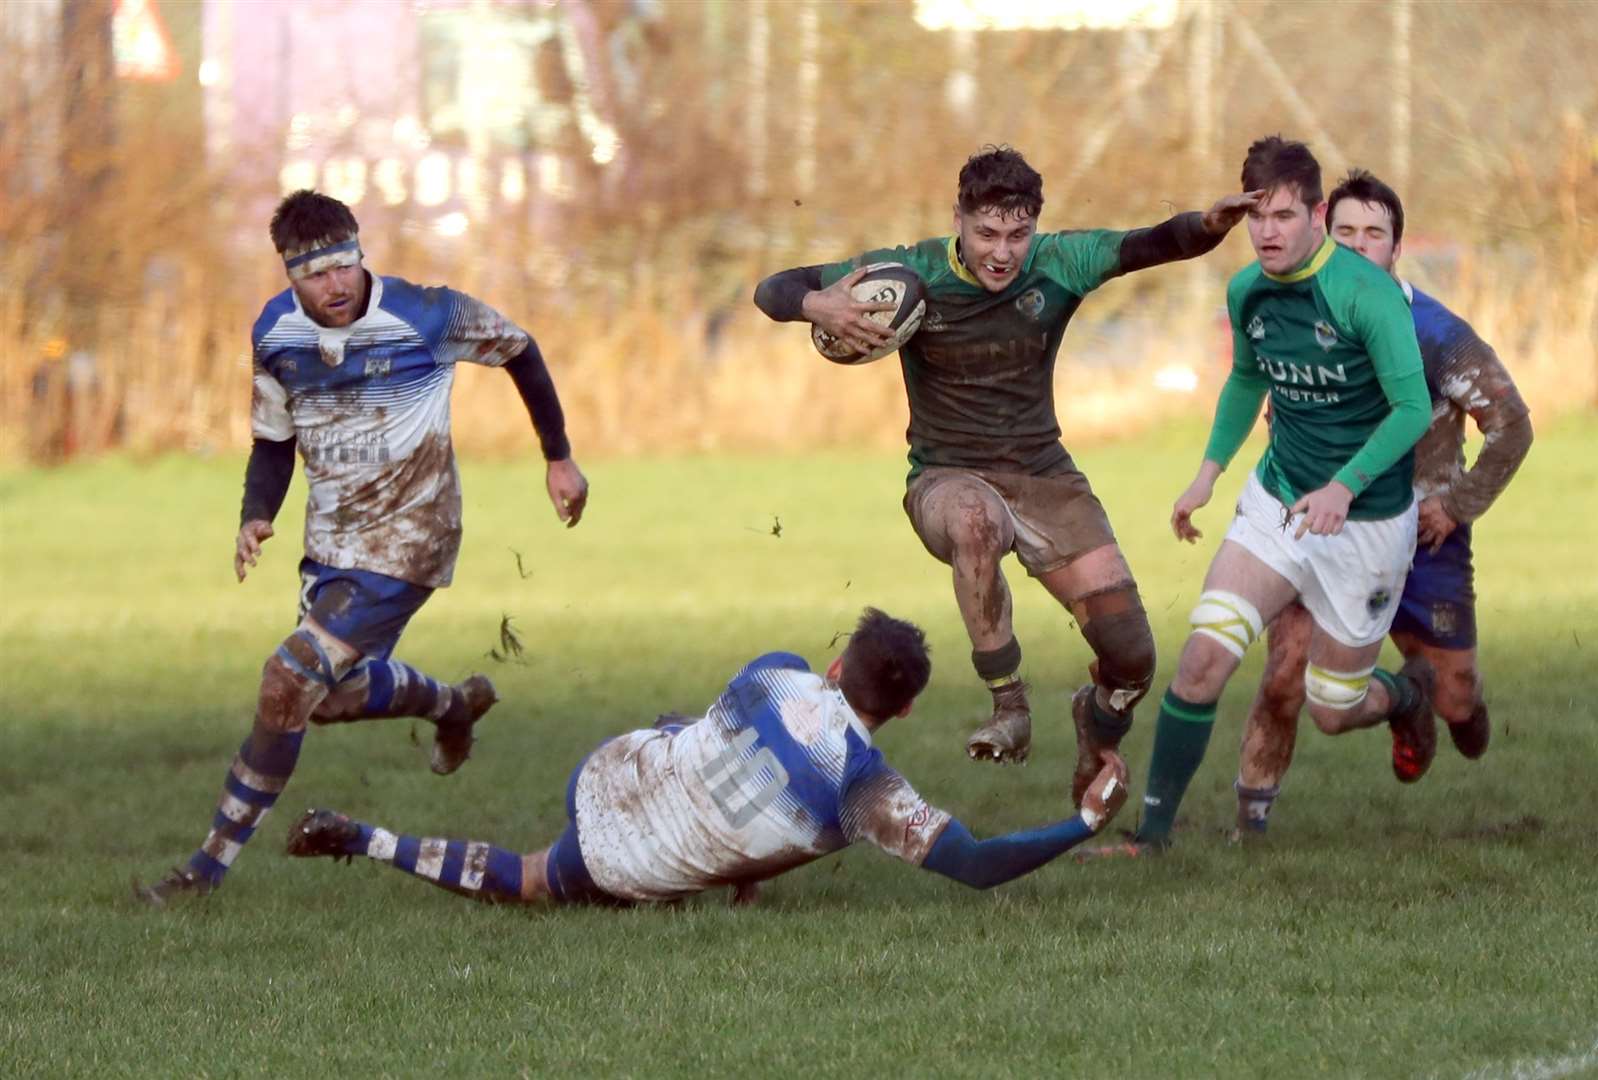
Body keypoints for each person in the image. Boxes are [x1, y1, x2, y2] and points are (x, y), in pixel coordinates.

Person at [753, 146, 1257, 805]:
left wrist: (1210, 224)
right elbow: (772, 290)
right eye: (986, 232)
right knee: (974, 520)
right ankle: (1009, 704)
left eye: (1017, 234)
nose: (1001, 251)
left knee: (1132, 655)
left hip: (1044, 475)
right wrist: (816, 303)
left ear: (1034, 228)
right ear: (957, 218)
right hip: (945, 476)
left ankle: (1094, 724)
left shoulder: (1060, 262)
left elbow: (1151, 243)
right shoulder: (916, 270)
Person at [135, 190, 589, 905]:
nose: (336, 285)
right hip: (332, 545)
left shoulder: (425, 314)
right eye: (316, 275)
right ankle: (450, 705)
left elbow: (520, 349)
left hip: (414, 535)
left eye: (345, 265)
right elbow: (273, 441)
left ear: (359, 253)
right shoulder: (275, 334)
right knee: (328, 699)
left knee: (287, 680)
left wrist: (557, 457)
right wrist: (256, 513)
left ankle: (205, 870)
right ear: (288, 274)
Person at [1082, 135, 1437, 859]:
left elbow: (1410, 409)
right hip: (1276, 504)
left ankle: (1404, 697)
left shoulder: (1364, 295)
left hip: (1365, 523)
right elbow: (1248, 379)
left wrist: (1344, 487)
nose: (1267, 233)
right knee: (1202, 660)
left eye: (1282, 216)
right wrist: (1208, 472)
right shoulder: (1246, 290)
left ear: (1315, 217)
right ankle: (1151, 839)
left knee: (1333, 708)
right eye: (1255, 218)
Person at [283, 608, 1130, 905]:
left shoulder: (776, 671)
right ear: (905, 707)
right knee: (532, 880)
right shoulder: (867, 790)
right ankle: (366, 839)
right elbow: (976, 865)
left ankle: (736, 874)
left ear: (835, 665)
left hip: (616, 765)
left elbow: (705, 722)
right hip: (624, 858)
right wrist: (1081, 821)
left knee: (724, 775)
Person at [1230, 169, 1534, 837]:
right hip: (1320, 530)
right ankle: (1246, 831)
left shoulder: (1433, 331)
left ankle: (1429, 701)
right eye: (1345, 232)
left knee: (1457, 701)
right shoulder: (1287, 311)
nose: (1360, 245)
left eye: (1375, 234)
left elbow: (1512, 424)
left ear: (1396, 249)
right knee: (1285, 673)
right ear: (1320, 235)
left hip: (1424, 531)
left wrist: (1455, 503)